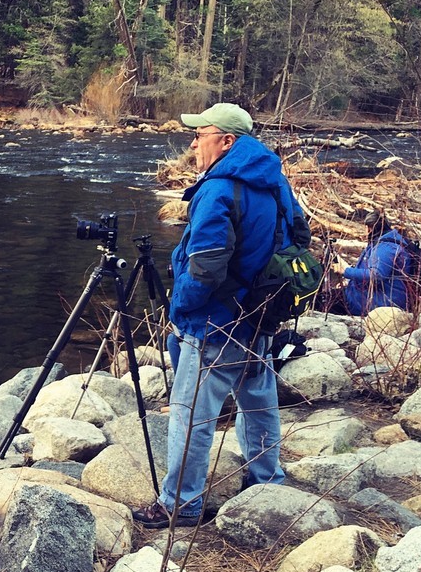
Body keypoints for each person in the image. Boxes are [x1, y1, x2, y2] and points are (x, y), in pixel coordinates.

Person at [132, 102, 309, 529]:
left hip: (217, 321)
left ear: (227, 141)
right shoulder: (274, 180)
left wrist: (180, 306)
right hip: (262, 314)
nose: (193, 142)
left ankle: (181, 503)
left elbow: (207, 265)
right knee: (258, 400)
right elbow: (299, 236)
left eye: (201, 133)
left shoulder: (219, 188)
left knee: (192, 413)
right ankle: (267, 481)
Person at [330, 210, 411, 315]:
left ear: (369, 228)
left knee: (325, 300)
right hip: (376, 296)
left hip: (381, 302)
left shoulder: (386, 247)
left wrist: (346, 272)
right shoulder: (385, 243)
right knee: (332, 296)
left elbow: (376, 275)